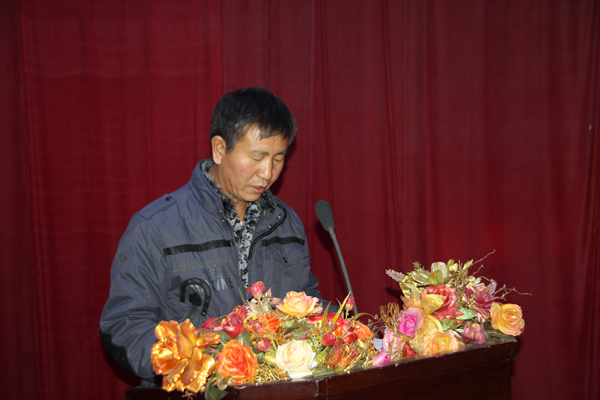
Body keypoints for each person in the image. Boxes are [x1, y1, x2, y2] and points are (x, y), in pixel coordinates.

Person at [100, 87, 326, 385]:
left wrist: (347, 331)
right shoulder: (155, 227)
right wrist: (196, 365)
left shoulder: (286, 222)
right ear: (219, 149)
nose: (267, 173)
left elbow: (306, 305)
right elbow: (124, 326)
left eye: (278, 159)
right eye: (257, 157)